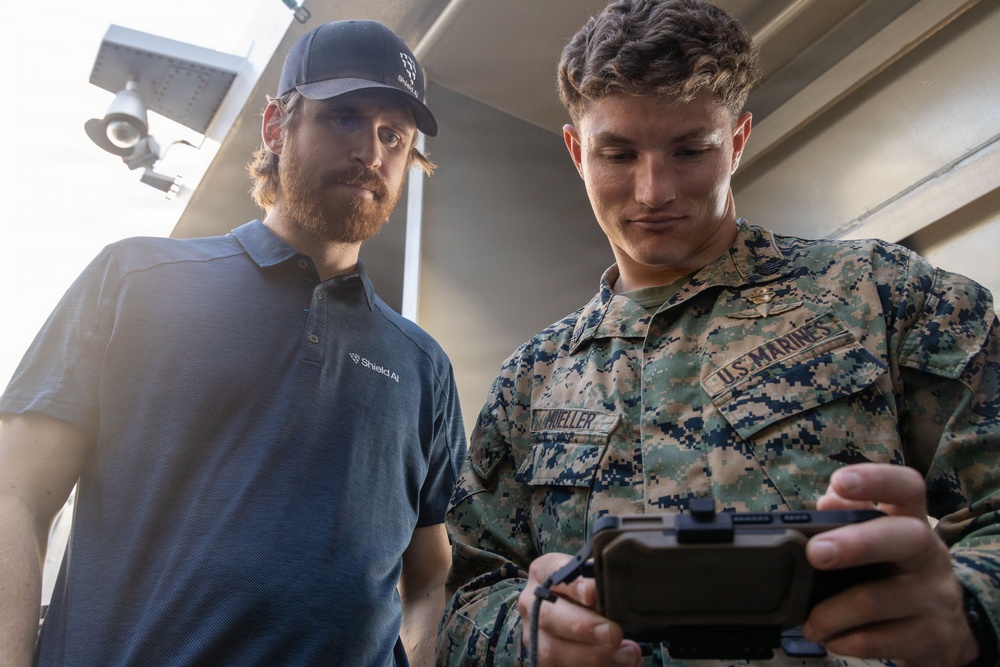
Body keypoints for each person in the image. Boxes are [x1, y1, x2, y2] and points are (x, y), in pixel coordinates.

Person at [437, 1, 999, 665]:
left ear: (736, 140)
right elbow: (466, 598)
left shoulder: (885, 295)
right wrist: (526, 637)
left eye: (690, 149)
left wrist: (967, 605)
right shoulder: (529, 381)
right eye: (617, 153)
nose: (653, 190)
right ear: (575, 150)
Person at [0, 19, 466, 667]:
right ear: (277, 126)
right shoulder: (135, 281)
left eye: (394, 135)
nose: (371, 149)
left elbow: (431, 575)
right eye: (344, 118)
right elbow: (15, 495)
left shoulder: (423, 369)